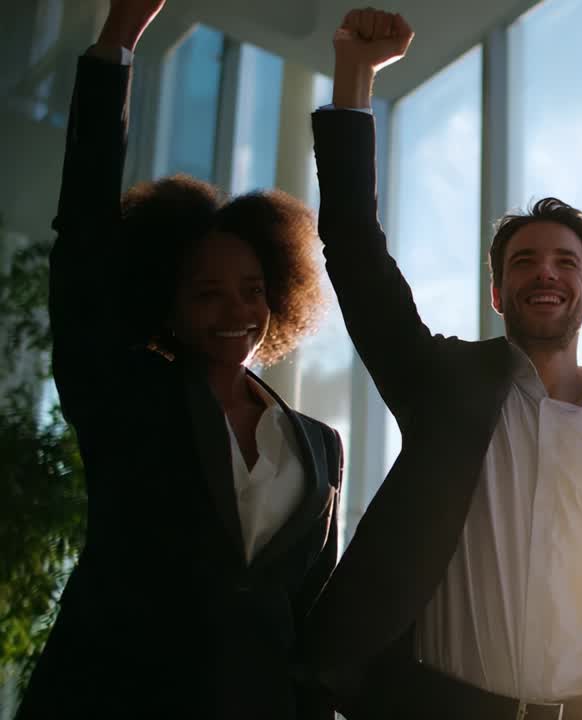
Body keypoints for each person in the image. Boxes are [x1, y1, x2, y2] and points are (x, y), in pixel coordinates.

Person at [297, 8, 582, 719]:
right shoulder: (442, 386)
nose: (545, 274)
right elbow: (356, 252)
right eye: (524, 263)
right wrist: (356, 78)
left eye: (564, 263)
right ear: (497, 292)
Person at [17, 1, 343, 717]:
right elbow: (83, 237)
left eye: (252, 290)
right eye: (208, 293)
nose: (237, 313)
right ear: (168, 306)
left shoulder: (320, 446)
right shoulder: (125, 395)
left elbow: (313, 618)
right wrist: (117, 45)